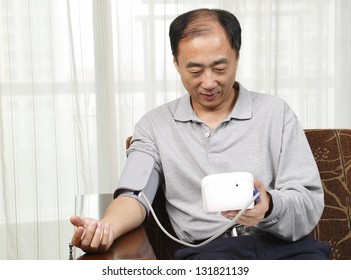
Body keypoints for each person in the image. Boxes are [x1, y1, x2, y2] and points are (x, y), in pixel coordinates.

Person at [70, 8, 330, 259]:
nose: (208, 83)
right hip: (211, 255)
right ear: (176, 63)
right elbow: (134, 194)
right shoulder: (154, 125)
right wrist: (106, 229)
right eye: (194, 71)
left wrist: (269, 206)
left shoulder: (277, 113)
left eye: (219, 68)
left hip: (289, 250)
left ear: (237, 57)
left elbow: (307, 203)